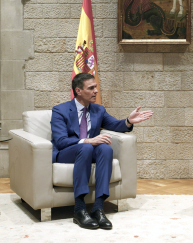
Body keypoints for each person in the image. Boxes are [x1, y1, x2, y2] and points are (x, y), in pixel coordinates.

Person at [51, 73, 153, 230]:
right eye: (91, 88)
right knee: (86, 146)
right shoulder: (60, 110)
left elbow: (115, 125)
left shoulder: (98, 110)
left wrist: (128, 121)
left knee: (105, 148)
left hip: (88, 152)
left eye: (96, 87)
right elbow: (61, 141)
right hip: (67, 153)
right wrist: (88, 141)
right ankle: (79, 209)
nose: (96, 91)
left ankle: (98, 208)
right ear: (78, 91)